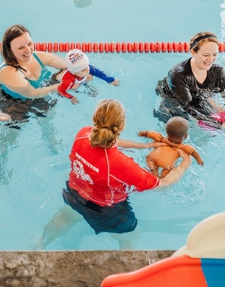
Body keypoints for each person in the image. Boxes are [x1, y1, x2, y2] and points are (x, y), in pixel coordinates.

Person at [35, 99, 191, 249]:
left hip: (73, 193)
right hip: (103, 210)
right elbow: (161, 185)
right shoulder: (121, 164)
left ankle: (39, 243)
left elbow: (109, 141)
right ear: (121, 126)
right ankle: (128, 274)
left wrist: (145, 146)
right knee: (131, 238)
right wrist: (184, 163)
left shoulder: (83, 133)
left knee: (65, 219)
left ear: (95, 120)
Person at [0, 24, 67, 127]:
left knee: (48, 119)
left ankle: (50, 139)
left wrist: (79, 71)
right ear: (10, 50)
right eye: (21, 47)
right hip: (11, 103)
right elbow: (32, 93)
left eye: (29, 43)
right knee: (12, 135)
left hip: (38, 94)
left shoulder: (37, 56)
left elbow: (66, 65)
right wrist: (60, 85)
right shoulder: (8, 72)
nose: (28, 50)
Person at [154, 31, 225, 130]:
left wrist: (216, 106)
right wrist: (219, 125)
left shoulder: (218, 70)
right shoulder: (177, 74)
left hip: (197, 98)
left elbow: (222, 93)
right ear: (193, 52)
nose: (211, 59)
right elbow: (189, 108)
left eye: (214, 54)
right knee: (178, 132)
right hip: (174, 103)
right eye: (206, 55)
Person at [138, 117, 203, 178]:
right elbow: (193, 152)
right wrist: (199, 159)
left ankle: (154, 172)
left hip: (152, 157)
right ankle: (160, 179)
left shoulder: (161, 138)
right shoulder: (183, 147)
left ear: (166, 131)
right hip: (167, 164)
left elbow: (150, 133)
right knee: (166, 175)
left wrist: (142, 133)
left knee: (152, 166)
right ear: (185, 136)